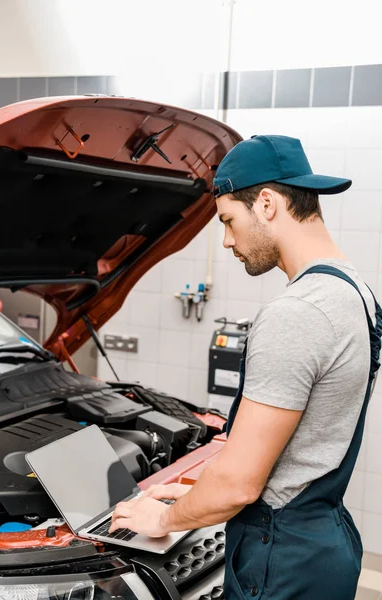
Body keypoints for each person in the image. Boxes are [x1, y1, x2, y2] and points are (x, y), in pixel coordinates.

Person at [110, 135, 382, 600]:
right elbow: (297, 447)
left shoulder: (297, 312)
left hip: (279, 559)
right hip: (322, 544)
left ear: (269, 203)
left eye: (229, 220)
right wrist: (192, 491)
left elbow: (238, 486)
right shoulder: (355, 292)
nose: (228, 241)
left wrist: (162, 519)